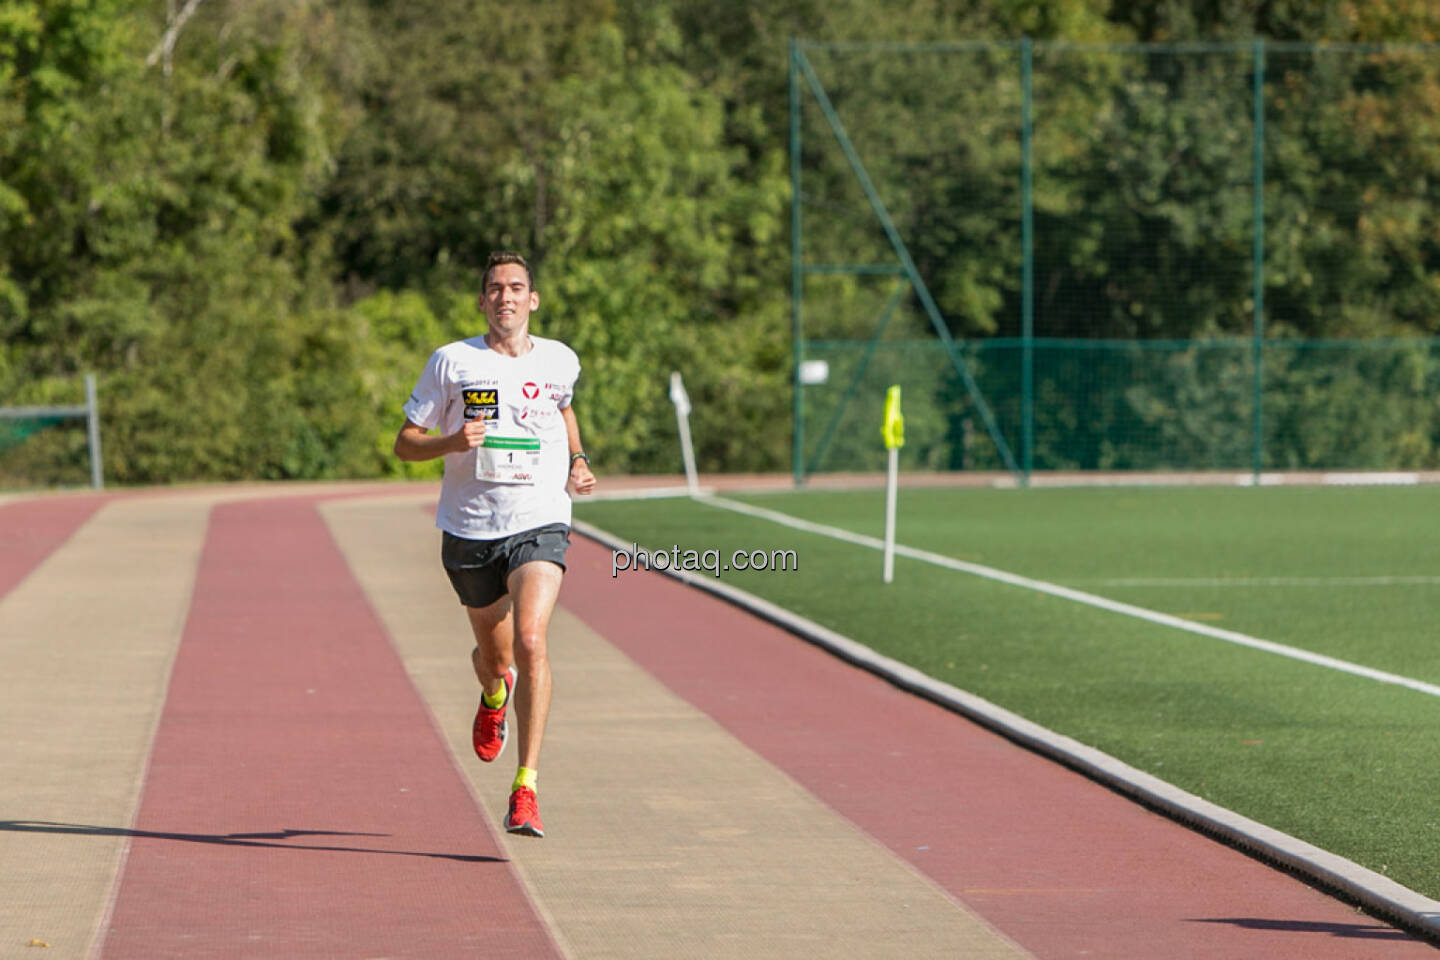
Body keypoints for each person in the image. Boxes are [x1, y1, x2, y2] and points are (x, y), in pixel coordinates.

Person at [394, 250, 596, 838]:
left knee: (532, 639)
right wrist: (452, 441)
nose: (505, 297)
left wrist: (578, 459)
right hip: (471, 528)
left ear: (532, 299)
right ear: (482, 301)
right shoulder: (452, 362)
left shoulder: (560, 359)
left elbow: (563, 408)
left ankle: (525, 787)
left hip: (540, 517)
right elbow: (406, 443)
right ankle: (492, 692)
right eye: (494, 289)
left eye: (516, 287)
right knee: (499, 658)